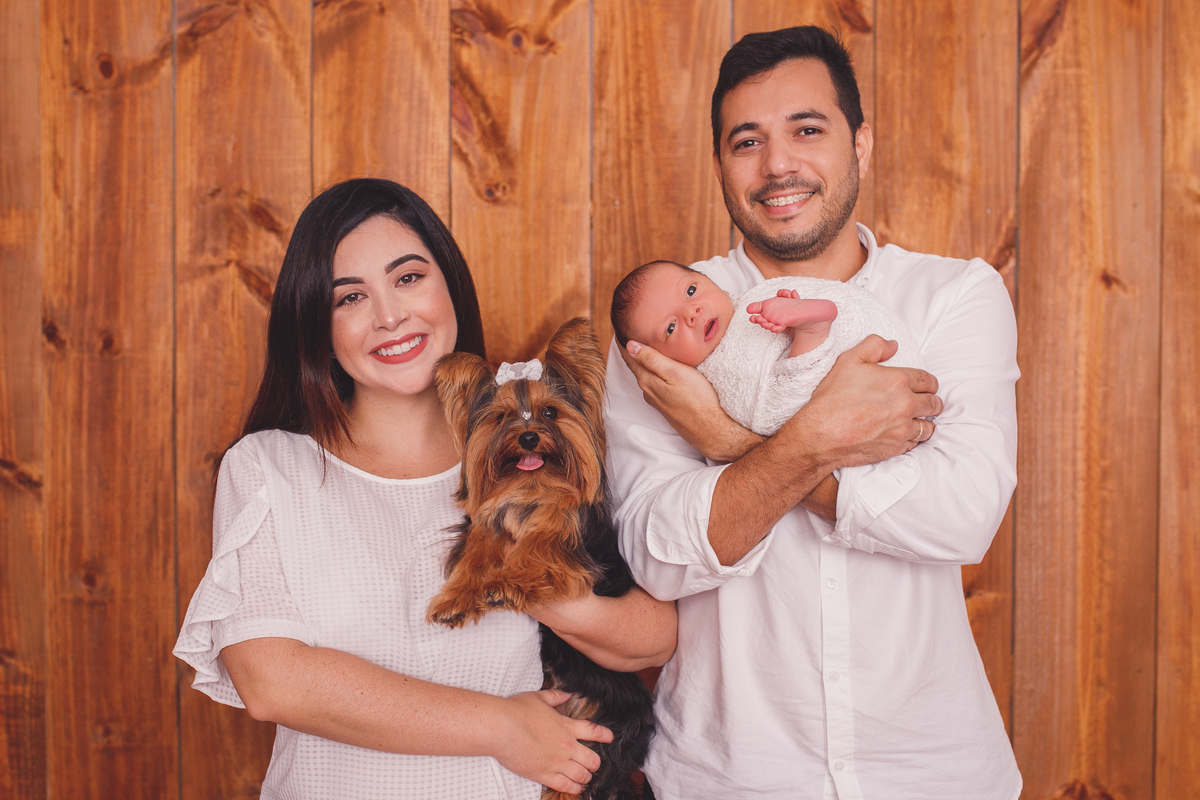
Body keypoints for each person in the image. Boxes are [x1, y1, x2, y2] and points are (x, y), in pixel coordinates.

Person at [604, 26, 1021, 800]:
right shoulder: (663, 323)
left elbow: (963, 514)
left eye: (807, 130)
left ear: (859, 143)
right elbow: (657, 557)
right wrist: (823, 440)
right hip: (727, 776)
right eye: (746, 142)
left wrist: (728, 442)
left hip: (932, 772)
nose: (778, 166)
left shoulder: (953, 297)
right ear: (721, 164)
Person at [173, 178, 677, 800]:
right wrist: (501, 726)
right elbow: (273, 681)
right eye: (350, 297)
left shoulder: (547, 455)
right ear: (316, 325)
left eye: (408, 278)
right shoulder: (268, 467)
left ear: (450, 285)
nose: (390, 316)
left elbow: (656, 636)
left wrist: (524, 581)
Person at [609, 259, 922, 435]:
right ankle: (810, 330)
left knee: (784, 392)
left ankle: (812, 330)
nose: (692, 313)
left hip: (873, 351)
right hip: (861, 393)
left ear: (712, 281)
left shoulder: (752, 302)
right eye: (671, 328)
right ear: (658, 359)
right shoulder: (703, 380)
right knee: (777, 396)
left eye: (691, 290)